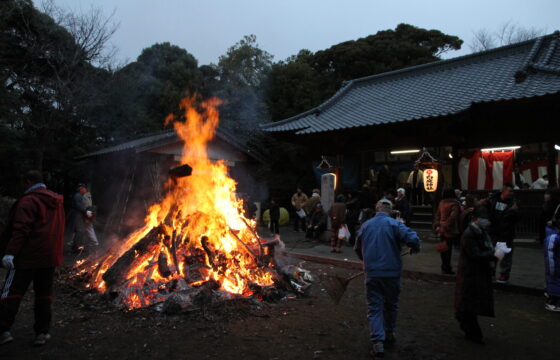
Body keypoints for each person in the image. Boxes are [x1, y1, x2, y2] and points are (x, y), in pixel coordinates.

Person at [0, 170, 65, 346]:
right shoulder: (57, 202)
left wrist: (10, 252)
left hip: (26, 257)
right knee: (44, 295)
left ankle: (3, 330)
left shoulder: (28, 201)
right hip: (49, 258)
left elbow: (20, 229)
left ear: (28, 181)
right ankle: (42, 333)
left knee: (11, 293)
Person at [354, 199, 421, 358]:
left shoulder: (366, 225)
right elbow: (414, 239)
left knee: (375, 306)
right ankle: (389, 333)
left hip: (372, 273)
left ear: (376, 209)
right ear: (390, 211)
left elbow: (358, 248)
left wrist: (366, 261)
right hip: (391, 273)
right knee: (391, 304)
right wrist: (414, 247)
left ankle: (378, 343)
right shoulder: (395, 224)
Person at [454, 208, 499, 344]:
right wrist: (493, 255)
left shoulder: (480, 232)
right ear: (475, 219)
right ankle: (473, 332)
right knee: (469, 303)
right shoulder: (470, 234)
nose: (487, 222)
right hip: (470, 273)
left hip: (476, 272)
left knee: (469, 303)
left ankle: (468, 327)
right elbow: (474, 254)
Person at [487, 183, 519, 283]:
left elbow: (516, 218)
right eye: (509, 191)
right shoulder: (493, 200)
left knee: (505, 255)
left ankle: (504, 275)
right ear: (503, 190)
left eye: (512, 191)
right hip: (494, 232)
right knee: (492, 254)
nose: (511, 193)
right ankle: (490, 273)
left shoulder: (514, 203)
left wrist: (514, 212)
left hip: (506, 233)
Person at [434, 188, 461, 274]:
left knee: (443, 248)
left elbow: (437, 214)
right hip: (449, 229)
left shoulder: (441, 203)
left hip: (441, 228)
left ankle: (444, 265)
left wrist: (438, 225)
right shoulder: (455, 203)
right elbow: (452, 217)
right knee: (448, 249)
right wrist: (446, 225)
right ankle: (447, 267)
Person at [67, 183, 91, 253]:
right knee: (79, 231)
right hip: (76, 216)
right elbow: (78, 206)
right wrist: (86, 211)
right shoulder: (78, 196)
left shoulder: (80, 196)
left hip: (78, 216)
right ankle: (76, 248)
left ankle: (75, 246)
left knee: (79, 231)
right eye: (84, 188)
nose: (85, 190)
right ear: (81, 189)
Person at [543, 225, 560, 312]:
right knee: (555, 282)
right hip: (555, 266)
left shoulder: (553, 237)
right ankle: (552, 302)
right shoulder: (554, 238)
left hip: (555, 265)